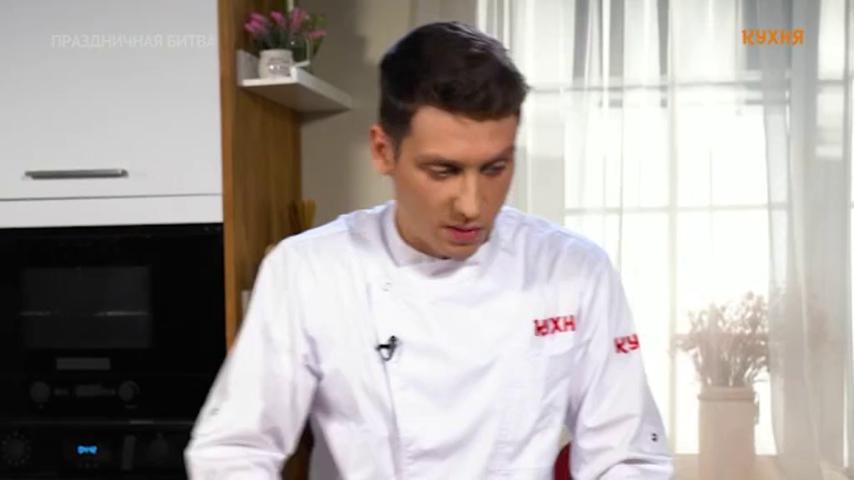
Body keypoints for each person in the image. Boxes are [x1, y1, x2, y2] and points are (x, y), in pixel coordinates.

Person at [185, 21, 673, 479]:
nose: (472, 205)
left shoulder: (574, 269)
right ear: (383, 151)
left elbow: (627, 456)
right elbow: (233, 450)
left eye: (494, 168)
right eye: (443, 171)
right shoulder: (308, 270)